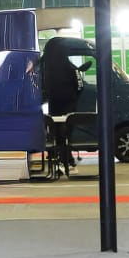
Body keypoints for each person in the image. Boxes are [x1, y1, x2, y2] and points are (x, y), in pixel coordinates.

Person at [37, 37, 83, 181]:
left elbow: (40, 88)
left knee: (55, 135)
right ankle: (68, 162)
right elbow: (80, 86)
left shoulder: (43, 67)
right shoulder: (71, 67)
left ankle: (57, 162)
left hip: (53, 107)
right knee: (66, 135)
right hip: (69, 107)